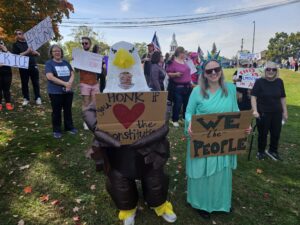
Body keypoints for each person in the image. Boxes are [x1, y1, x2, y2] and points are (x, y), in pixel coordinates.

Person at [84, 41, 176, 225]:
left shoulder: (149, 93)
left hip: (147, 150)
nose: (125, 78)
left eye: (129, 75)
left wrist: (147, 138)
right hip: (118, 152)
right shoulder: (107, 95)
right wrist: (106, 135)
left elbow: (162, 115)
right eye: (121, 76)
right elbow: (88, 111)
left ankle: (159, 204)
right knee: (120, 181)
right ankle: (128, 209)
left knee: (155, 178)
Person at [185, 56, 251, 218]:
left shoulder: (230, 89)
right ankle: (200, 203)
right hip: (203, 140)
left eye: (217, 69)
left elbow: (235, 111)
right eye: (209, 71)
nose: (213, 73)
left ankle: (220, 203)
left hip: (223, 141)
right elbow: (188, 112)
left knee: (220, 173)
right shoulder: (196, 91)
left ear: (221, 71)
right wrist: (190, 124)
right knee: (202, 171)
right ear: (204, 74)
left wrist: (244, 125)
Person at [251, 61, 288, 161]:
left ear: (276, 71)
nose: (271, 71)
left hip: (277, 113)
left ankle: (273, 150)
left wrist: (285, 111)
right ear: (264, 70)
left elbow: (282, 97)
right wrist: (255, 110)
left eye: (273, 69)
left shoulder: (279, 81)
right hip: (263, 113)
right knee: (263, 134)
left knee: (276, 133)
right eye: (268, 69)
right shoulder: (259, 81)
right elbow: (253, 96)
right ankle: (261, 151)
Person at [45, 44, 77, 139]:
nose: (57, 52)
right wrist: (64, 83)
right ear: (51, 53)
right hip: (55, 92)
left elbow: (72, 73)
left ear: (61, 52)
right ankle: (57, 130)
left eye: (59, 51)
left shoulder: (66, 63)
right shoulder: (49, 63)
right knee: (56, 112)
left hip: (68, 91)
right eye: (55, 51)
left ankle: (69, 127)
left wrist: (69, 83)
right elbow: (50, 76)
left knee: (68, 110)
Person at [12, 29, 42, 106]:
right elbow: (15, 56)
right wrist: (27, 52)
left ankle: (38, 98)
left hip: (33, 65)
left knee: (35, 82)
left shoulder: (31, 43)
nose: (21, 34)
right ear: (16, 36)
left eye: (22, 33)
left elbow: (38, 54)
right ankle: (26, 98)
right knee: (24, 83)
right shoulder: (15, 45)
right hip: (23, 66)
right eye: (18, 34)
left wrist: (36, 53)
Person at [166, 47, 192, 127]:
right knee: (178, 104)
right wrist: (175, 74)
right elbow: (167, 73)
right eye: (183, 52)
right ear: (179, 53)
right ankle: (175, 120)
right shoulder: (172, 63)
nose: (184, 54)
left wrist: (191, 83)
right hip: (178, 87)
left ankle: (184, 118)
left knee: (187, 104)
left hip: (188, 86)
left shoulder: (185, 62)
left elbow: (188, 73)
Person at [78, 37, 100, 130]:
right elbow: (76, 70)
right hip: (84, 83)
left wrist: (102, 63)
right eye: (82, 43)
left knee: (95, 103)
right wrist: (75, 61)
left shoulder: (95, 56)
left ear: (90, 44)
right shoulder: (79, 55)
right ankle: (86, 121)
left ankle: (94, 119)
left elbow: (100, 69)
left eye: (86, 43)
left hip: (94, 83)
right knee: (86, 103)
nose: (84, 45)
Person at [0, 40, 13, 111]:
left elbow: (13, 59)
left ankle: (8, 103)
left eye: (1, 43)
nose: (0, 45)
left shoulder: (7, 51)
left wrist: (5, 50)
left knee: (6, 89)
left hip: (7, 73)